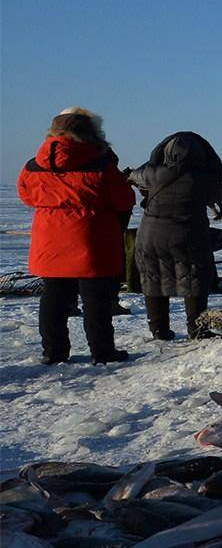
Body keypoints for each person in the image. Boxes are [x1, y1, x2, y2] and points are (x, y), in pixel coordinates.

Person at [17, 108, 135, 364]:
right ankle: (102, 352)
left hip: (49, 239)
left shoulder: (33, 164)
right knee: (96, 299)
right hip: (90, 238)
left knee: (54, 297)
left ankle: (53, 352)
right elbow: (124, 199)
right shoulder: (101, 163)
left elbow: (25, 195)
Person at [129, 132, 222, 340]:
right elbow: (218, 194)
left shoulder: (153, 173)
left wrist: (154, 162)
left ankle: (158, 329)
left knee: (153, 277)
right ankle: (197, 328)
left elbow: (134, 175)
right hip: (188, 234)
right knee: (194, 278)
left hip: (150, 234)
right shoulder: (202, 179)